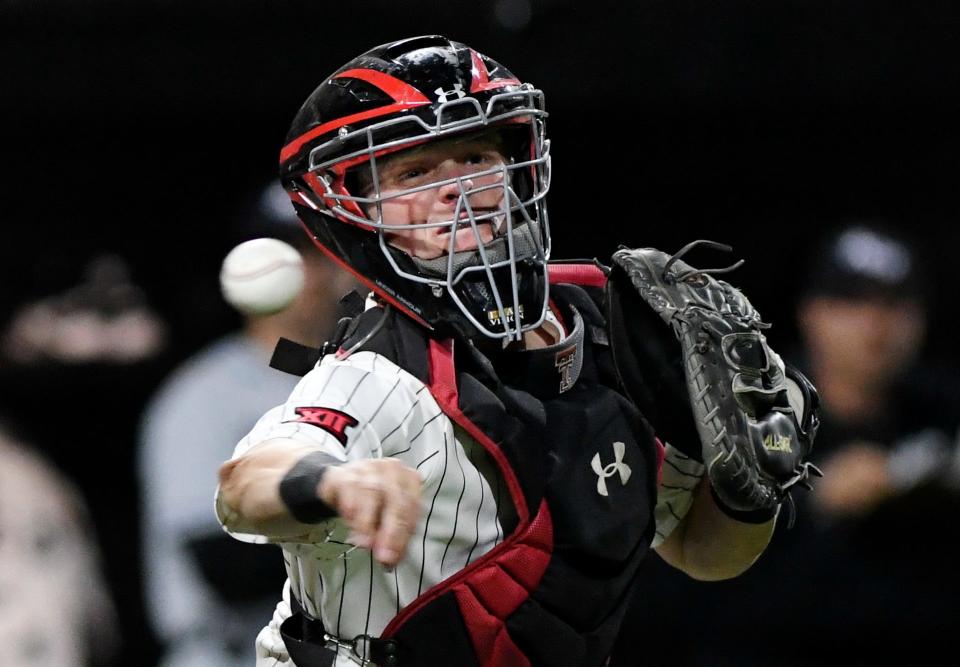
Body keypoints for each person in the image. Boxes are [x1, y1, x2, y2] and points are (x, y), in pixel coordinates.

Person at [215, 36, 817, 666]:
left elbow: (702, 553)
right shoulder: (375, 374)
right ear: (358, 211)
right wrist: (334, 481)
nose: (457, 189)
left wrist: (748, 494)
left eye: (475, 156)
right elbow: (242, 488)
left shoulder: (616, 329)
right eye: (415, 171)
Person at [140, 182, 357, 667]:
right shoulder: (203, 396)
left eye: (323, 252)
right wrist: (361, 517)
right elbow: (224, 566)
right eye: (295, 254)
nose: (323, 273)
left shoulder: (358, 382)